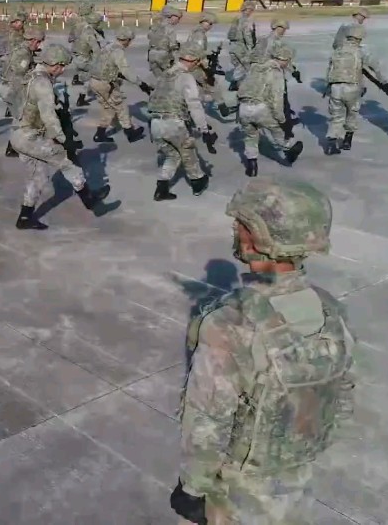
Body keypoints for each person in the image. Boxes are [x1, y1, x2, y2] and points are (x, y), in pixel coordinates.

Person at [172, 176, 354, 525]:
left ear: (259, 237)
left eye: (241, 224)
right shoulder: (332, 311)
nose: (235, 230)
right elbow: (342, 398)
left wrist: (192, 488)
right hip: (296, 482)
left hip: (237, 493)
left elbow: (208, 420)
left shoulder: (231, 322)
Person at [9, 43, 112, 230]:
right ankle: (89, 199)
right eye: (62, 66)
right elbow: (49, 116)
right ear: (55, 64)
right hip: (30, 137)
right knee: (67, 162)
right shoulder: (43, 83)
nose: (63, 70)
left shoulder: (31, 76)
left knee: (37, 177)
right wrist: (64, 140)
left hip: (18, 135)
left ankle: (24, 217)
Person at [147, 46, 212, 201]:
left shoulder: (164, 75)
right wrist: (204, 129)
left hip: (155, 123)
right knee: (188, 151)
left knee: (173, 155)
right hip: (173, 123)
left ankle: (161, 188)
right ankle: (197, 182)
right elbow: (194, 104)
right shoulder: (185, 77)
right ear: (193, 61)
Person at [236, 44, 304, 177]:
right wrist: (282, 120)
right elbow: (276, 100)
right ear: (284, 59)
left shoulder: (256, 68)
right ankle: (289, 149)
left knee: (250, 136)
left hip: (243, 107)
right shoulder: (276, 73)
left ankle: (252, 165)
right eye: (288, 61)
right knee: (278, 133)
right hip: (261, 109)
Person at [323, 24, 388, 155]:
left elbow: (329, 70)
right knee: (352, 113)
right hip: (352, 87)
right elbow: (375, 67)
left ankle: (331, 142)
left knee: (336, 116)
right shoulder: (361, 51)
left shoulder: (338, 50)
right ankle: (348, 140)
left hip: (335, 87)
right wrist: (384, 82)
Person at [88, 27, 150, 144]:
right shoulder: (118, 51)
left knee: (108, 107)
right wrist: (140, 84)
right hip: (105, 83)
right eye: (130, 40)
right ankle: (130, 132)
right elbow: (125, 70)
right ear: (126, 40)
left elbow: (105, 65)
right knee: (120, 106)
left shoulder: (108, 46)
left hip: (94, 81)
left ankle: (99, 134)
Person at [1, 26, 46, 157]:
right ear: (32, 40)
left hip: (11, 87)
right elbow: (20, 72)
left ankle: (14, 146)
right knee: (20, 118)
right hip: (13, 89)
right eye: (38, 42)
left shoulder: (23, 49)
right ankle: (13, 147)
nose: (38, 45)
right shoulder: (23, 53)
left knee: (20, 118)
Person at [147, 5, 182, 79]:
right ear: (171, 16)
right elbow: (173, 47)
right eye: (178, 18)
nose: (178, 21)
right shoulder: (170, 29)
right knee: (169, 80)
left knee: (159, 79)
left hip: (152, 56)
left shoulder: (154, 27)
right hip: (164, 57)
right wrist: (177, 61)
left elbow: (149, 37)